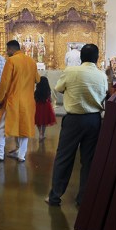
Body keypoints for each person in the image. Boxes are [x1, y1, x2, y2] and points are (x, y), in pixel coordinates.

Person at [46, 43, 109, 207]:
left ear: (81, 57)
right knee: (89, 160)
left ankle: (55, 196)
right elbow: (103, 94)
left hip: (74, 120)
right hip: (95, 120)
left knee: (64, 157)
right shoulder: (102, 75)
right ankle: (83, 198)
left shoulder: (71, 71)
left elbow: (59, 88)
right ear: (98, 57)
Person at [0, 40, 39, 162]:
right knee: (24, 128)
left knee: (2, 127)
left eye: (7, 50)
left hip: (13, 101)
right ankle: (21, 155)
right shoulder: (31, 61)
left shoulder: (11, 61)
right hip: (27, 101)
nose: (7, 52)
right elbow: (37, 79)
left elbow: (4, 83)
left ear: (11, 49)